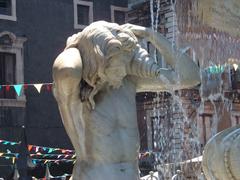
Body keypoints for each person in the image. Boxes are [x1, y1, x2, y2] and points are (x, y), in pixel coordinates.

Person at [52, 21, 200, 180]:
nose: (123, 71)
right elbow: (66, 70)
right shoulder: (76, 93)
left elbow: (190, 77)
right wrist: (78, 43)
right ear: (97, 61)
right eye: (117, 66)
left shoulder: (128, 82)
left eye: (126, 64)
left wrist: (151, 35)